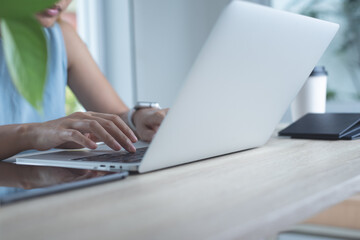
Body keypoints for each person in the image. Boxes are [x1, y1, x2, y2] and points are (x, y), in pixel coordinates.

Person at [0, 0, 168, 160]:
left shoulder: (61, 37)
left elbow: (115, 116)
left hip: (52, 184)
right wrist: (33, 133)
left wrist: (138, 118)